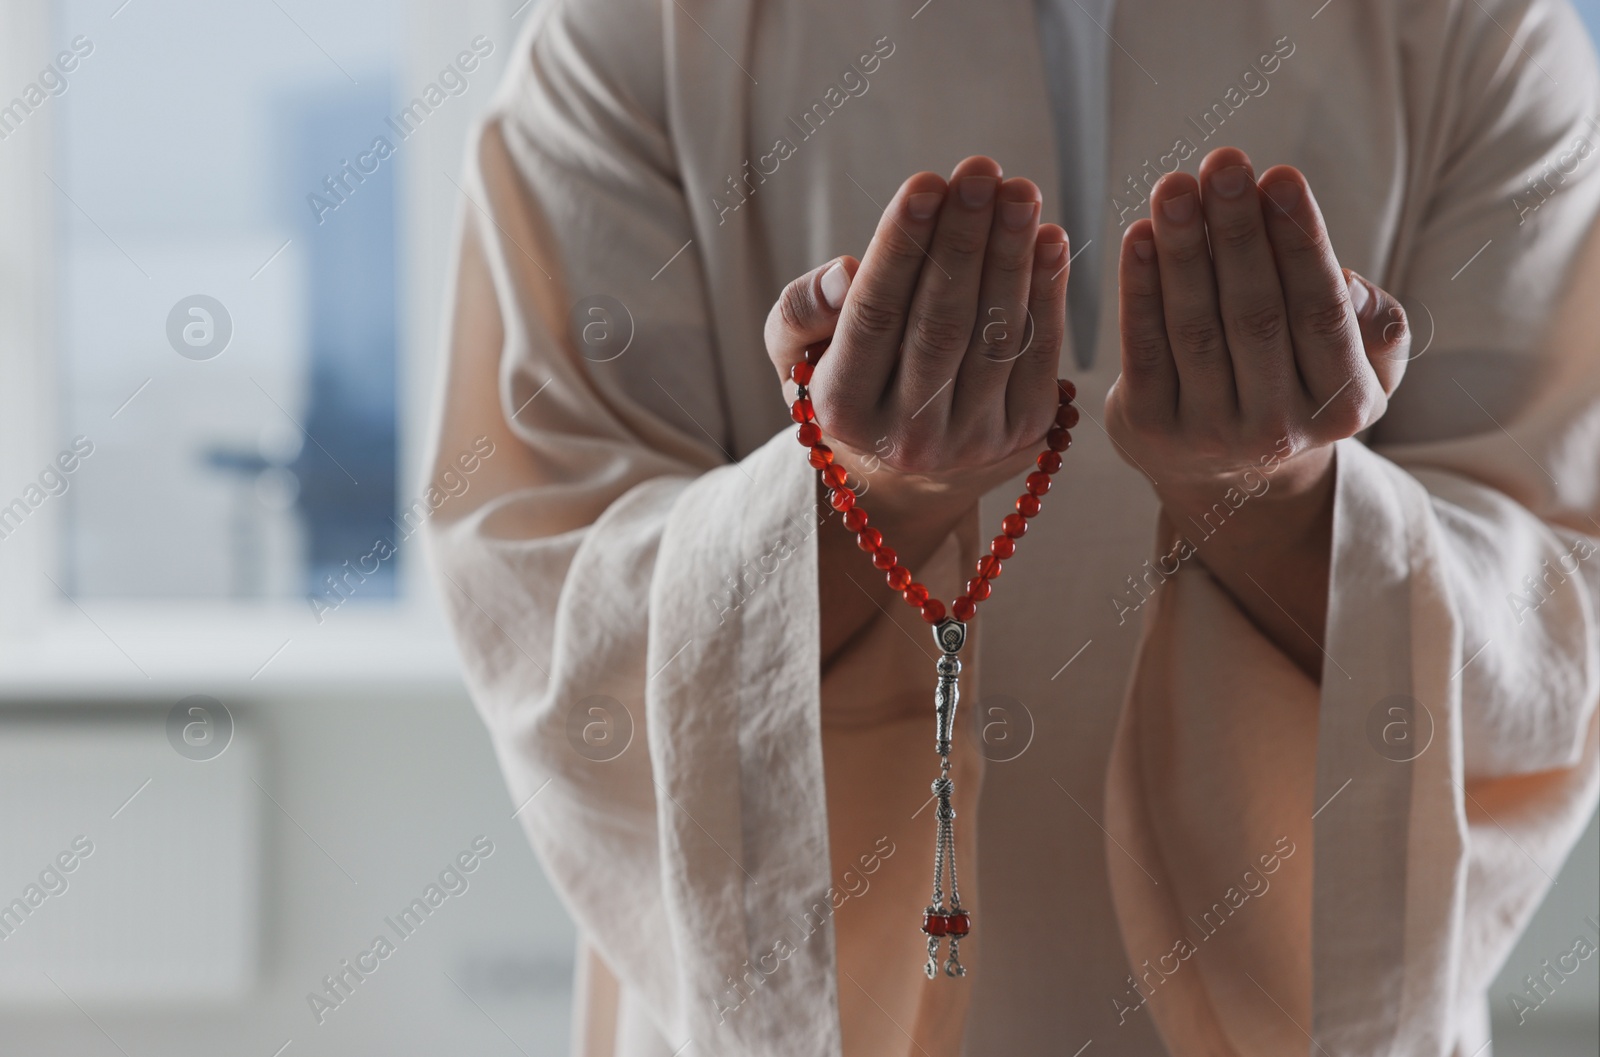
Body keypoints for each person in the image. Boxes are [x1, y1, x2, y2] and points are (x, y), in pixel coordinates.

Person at [423, 0, 1600, 1053]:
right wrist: (840, 506)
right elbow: (540, 590)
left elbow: (1558, 606)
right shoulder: (634, 31)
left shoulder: (1474, 29)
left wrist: (1285, 512)